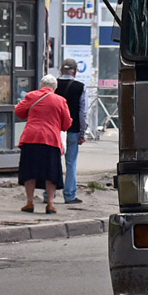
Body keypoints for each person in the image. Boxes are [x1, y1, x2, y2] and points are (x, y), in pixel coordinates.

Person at [15, 74, 71, 214]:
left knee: (30, 171)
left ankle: (29, 202)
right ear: (55, 87)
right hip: (51, 139)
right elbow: (66, 124)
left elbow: (19, 111)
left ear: (41, 85)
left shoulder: (31, 96)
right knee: (51, 172)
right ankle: (50, 204)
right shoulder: (60, 100)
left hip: (31, 138)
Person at [56, 58, 89, 204]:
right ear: (75, 71)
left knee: (54, 161)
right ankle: (69, 195)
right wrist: (83, 132)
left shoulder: (53, 85)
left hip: (55, 129)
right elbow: (83, 112)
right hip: (73, 129)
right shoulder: (80, 87)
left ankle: (48, 194)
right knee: (71, 163)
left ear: (61, 70)